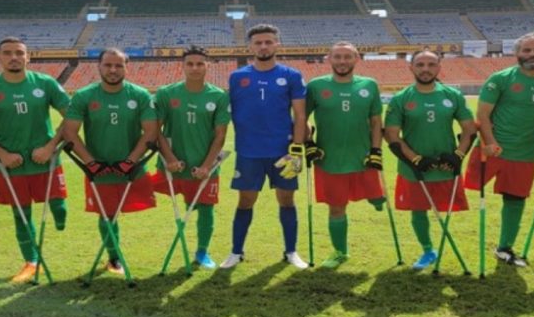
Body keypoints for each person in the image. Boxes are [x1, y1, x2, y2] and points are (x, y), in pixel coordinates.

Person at [0, 37, 70, 283]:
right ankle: (31, 261)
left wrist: (50, 147)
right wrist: (1, 154)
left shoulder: (45, 83)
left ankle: (59, 218)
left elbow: (71, 117)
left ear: (28, 57)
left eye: (18, 53)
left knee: (58, 206)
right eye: (7, 53)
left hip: (46, 160)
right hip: (11, 164)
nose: (13, 57)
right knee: (21, 214)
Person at [464, 33, 534, 267]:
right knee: (464, 192)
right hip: (492, 149)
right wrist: (489, 141)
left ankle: (504, 248)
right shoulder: (500, 79)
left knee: (515, 199)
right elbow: (482, 114)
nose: (532, 55)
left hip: (525, 154)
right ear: (517, 54)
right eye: (527, 51)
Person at [62, 48, 157, 275]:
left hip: (131, 170)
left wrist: (130, 161)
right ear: (99, 66)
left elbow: (150, 132)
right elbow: (70, 133)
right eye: (108, 65)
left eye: (118, 65)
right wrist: (90, 162)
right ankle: (114, 258)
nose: (113, 70)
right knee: (106, 214)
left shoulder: (140, 95)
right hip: (99, 171)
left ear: (126, 67)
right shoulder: (84, 96)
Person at [220, 23, 308, 270]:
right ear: (250, 46)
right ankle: (236, 252)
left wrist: (297, 150)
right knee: (245, 201)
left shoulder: (291, 75)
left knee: (287, 200)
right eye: (258, 42)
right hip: (249, 152)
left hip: (283, 152)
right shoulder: (237, 77)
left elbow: (300, 116)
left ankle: (291, 251)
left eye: (268, 41)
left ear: (277, 44)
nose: (263, 46)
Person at [384, 50, 475, 270]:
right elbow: (392, 136)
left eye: (431, 64)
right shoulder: (401, 99)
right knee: (418, 210)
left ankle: (440, 248)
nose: (426, 69)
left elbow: (469, 130)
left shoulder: (452, 95)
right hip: (414, 169)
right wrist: (415, 159)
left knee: (446, 210)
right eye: (420, 64)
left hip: (446, 167)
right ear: (411, 67)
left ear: (439, 67)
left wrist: (458, 156)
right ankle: (427, 250)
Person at [305, 42, 385, 268]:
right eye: (337, 57)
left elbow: (376, 120)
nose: (342, 61)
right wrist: (309, 143)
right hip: (329, 159)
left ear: (356, 59)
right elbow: (302, 117)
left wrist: (376, 151)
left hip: (363, 157)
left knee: (376, 196)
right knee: (337, 207)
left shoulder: (369, 85)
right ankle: (340, 252)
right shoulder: (316, 86)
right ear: (329, 59)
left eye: (347, 57)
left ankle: (375, 196)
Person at [152, 46, 230, 269]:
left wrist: (207, 166)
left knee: (206, 207)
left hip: (205, 165)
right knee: (172, 199)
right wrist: (169, 159)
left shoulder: (218, 96)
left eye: (199, 64)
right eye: (190, 64)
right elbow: (156, 130)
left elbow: (220, 135)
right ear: (183, 66)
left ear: (208, 65)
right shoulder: (167, 93)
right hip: (173, 164)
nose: (195, 68)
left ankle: (202, 252)